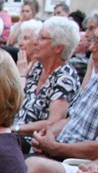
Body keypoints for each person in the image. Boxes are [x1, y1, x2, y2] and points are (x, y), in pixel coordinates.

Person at [26, 12, 98, 173]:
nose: (92, 47)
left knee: (29, 169)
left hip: (79, 166)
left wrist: (56, 148)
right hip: (56, 152)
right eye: (93, 40)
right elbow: (70, 119)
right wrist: (47, 135)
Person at [11, 16, 80, 150]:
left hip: (33, 143)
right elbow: (23, 100)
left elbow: (54, 122)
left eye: (41, 38)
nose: (35, 42)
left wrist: (16, 128)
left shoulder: (64, 77)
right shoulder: (38, 68)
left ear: (58, 47)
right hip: (15, 135)